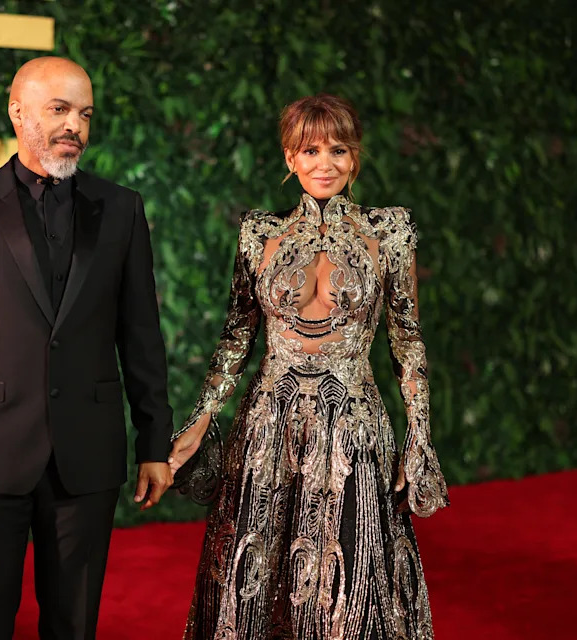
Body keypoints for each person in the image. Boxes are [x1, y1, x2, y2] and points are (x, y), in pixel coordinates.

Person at [0, 56, 174, 640]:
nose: (73, 126)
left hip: (88, 453)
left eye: (84, 114)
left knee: (74, 626)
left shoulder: (122, 208)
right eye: (58, 109)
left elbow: (141, 338)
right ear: (17, 111)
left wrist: (155, 441)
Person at [169, 94, 449, 639]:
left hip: (354, 428)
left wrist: (419, 434)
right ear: (289, 158)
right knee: (253, 579)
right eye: (311, 149)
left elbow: (407, 341)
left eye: (338, 150)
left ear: (356, 157)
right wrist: (202, 419)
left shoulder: (389, 232)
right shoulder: (259, 234)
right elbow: (236, 338)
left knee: (352, 581)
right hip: (268, 429)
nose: (325, 163)